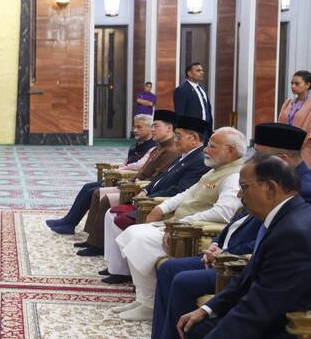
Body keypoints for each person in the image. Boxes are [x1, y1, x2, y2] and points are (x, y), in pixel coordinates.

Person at [152, 122, 310, 339]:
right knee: (192, 317)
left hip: (284, 322)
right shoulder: (283, 208)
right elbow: (249, 272)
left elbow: (262, 305)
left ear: (272, 186)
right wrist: (207, 308)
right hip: (244, 278)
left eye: (244, 188)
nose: (239, 196)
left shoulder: (293, 230)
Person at [106, 127, 245, 321]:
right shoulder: (216, 170)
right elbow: (187, 193)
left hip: (189, 230)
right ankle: (144, 298)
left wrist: (182, 222)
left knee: (138, 238)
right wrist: (161, 209)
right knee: (131, 233)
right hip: (177, 224)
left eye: (212, 146)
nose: (206, 150)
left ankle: (149, 303)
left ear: (230, 150)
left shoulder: (234, 176)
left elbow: (224, 213)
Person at [77, 115, 210, 258]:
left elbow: (179, 190)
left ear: (194, 139)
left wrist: (148, 197)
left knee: (117, 217)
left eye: (179, 136)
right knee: (111, 214)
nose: (175, 140)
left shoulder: (198, 161)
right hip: (148, 196)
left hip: (158, 205)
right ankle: (110, 261)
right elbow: (159, 178)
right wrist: (146, 189)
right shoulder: (183, 156)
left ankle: (120, 269)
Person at [46, 114, 158, 234]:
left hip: (128, 181)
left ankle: (70, 224)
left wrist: (118, 171)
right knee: (87, 187)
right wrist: (119, 169)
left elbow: (139, 166)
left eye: (139, 127)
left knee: (91, 191)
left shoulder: (152, 147)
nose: (135, 130)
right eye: (134, 127)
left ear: (149, 128)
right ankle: (68, 221)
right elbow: (126, 161)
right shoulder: (136, 144)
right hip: (120, 176)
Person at [277, 70, 311, 166]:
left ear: (308, 85)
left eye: (297, 84)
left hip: (304, 149)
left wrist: (298, 145)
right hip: (285, 147)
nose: (293, 86)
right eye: (292, 83)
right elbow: (280, 124)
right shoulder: (288, 103)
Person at [174, 63, 212, 141]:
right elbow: (180, 114)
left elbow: (207, 111)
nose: (202, 72)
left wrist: (209, 131)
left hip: (204, 131)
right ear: (189, 73)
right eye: (198, 70)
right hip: (191, 132)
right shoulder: (182, 90)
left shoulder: (201, 89)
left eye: (202, 70)